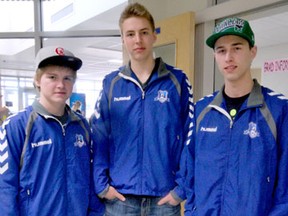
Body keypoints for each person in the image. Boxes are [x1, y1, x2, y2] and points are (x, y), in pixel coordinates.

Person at [90, 2, 194, 215]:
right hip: (120, 200)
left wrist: (182, 188)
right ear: (123, 39)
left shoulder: (178, 81)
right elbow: (99, 137)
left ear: (154, 35)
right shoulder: (111, 84)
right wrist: (101, 185)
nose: (137, 40)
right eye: (130, 34)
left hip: (164, 200)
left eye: (144, 32)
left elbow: (190, 137)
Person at [185, 17, 288, 215]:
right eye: (221, 50)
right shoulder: (202, 110)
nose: (228, 57)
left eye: (237, 48)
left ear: (253, 52)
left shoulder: (279, 110)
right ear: (215, 56)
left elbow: (285, 186)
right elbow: (189, 170)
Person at [0, 46, 104, 215]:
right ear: (37, 80)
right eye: (52, 77)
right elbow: (5, 187)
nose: (61, 85)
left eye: (68, 78)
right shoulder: (16, 126)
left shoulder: (82, 125)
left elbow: (89, 178)